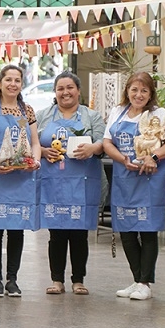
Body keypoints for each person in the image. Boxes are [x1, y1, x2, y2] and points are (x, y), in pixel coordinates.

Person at [102, 72, 165, 300]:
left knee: (147, 230)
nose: (139, 94)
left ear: (151, 93)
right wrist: (122, 159)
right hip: (124, 179)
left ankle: (145, 282)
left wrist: (153, 157)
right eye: (134, 89)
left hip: (149, 180)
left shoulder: (159, 114)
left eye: (144, 90)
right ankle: (136, 279)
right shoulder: (117, 112)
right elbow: (107, 143)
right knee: (126, 231)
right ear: (127, 91)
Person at [37, 70, 105, 296]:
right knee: (56, 233)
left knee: (79, 232)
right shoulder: (43, 115)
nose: (65, 92)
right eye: (60, 88)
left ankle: (78, 280)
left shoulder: (91, 116)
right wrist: (43, 151)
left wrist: (93, 148)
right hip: (53, 183)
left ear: (78, 91)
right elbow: (31, 144)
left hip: (82, 183)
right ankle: (57, 280)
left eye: (70, 88)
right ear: (55, 92)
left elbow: (103, 143)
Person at [0, 65, 40, 297]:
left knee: (16, 229)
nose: (13, 84)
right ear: (0, 83)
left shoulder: (27, 110)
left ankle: (12, 280)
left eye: (17, 80)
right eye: (9, 80)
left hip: (21, 176)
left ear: (21, 84)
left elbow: (34, 141)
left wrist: (35, 160)